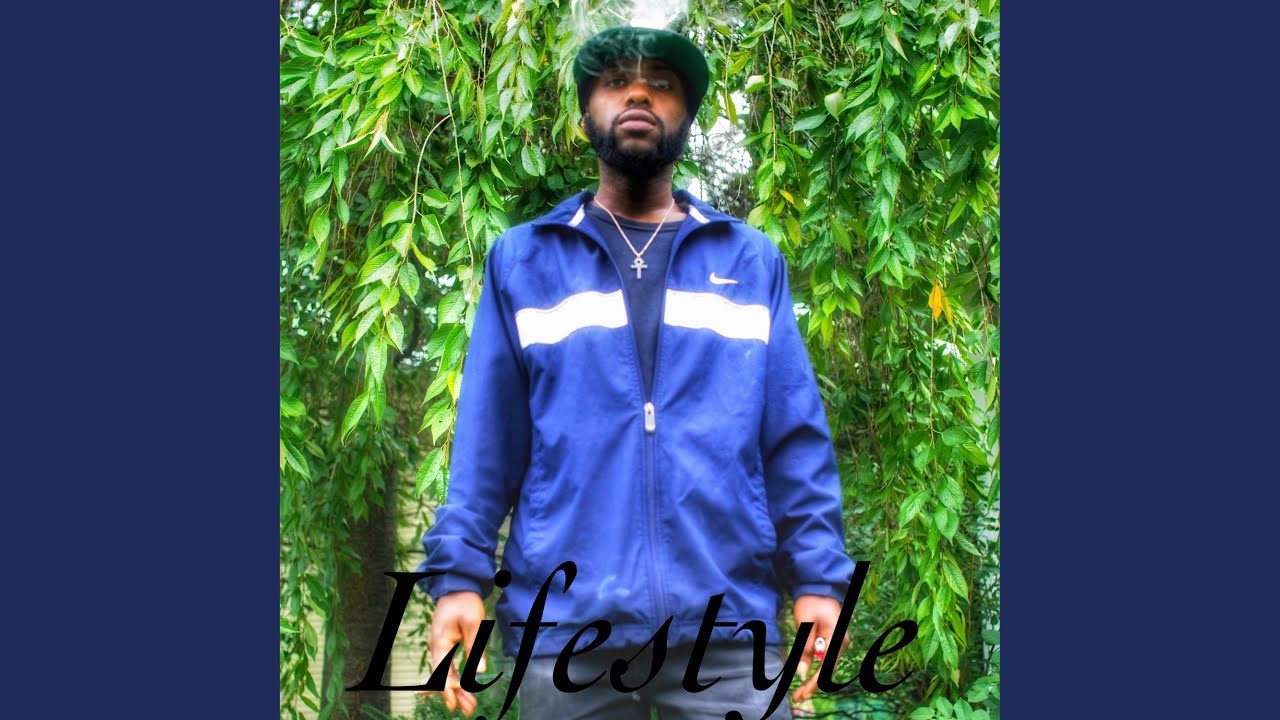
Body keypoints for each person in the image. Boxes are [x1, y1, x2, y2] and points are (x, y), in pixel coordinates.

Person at [418, 25, 855, 719]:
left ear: (687, 115)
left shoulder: (749, 263)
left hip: (728, 628)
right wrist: (459, 579)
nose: (639, 94)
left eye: (662, 83)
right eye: (617, 81)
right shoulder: (524, 262)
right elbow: (486, 444)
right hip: (566, 625)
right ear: (585, 114)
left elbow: (792, 440)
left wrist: (820, 581)